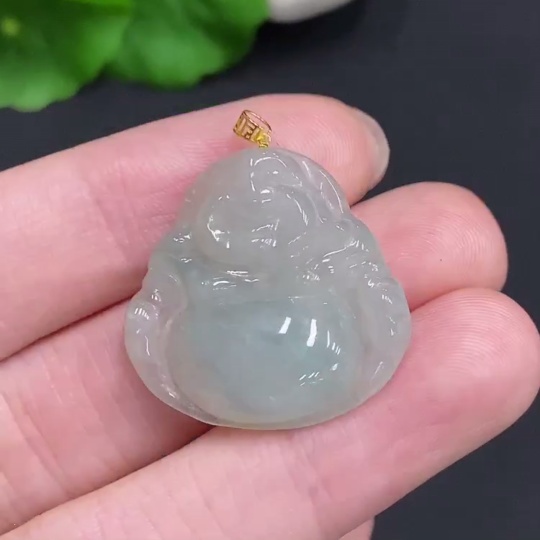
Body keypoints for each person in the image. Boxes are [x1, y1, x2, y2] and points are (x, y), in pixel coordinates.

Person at [0, 94, 538, 540]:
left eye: (272, 215)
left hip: (316, 360)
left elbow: (369, 300)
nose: (256, 232)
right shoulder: (188, 262)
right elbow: (158, 311)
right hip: (214, 362)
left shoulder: (333, 256)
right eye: (235, 215)